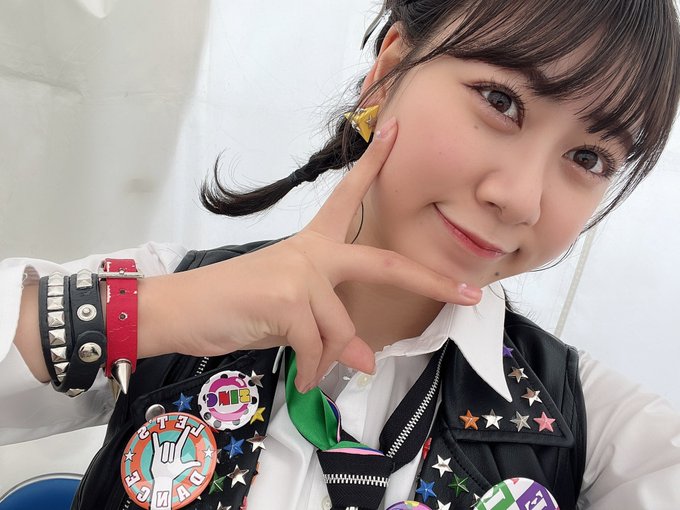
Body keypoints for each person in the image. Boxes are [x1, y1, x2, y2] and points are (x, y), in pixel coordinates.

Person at [2, 0, 680, 509]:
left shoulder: (593, 427)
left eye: (588, 158)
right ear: (387, 73)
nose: (521, 198)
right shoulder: (165, 289)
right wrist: (154, 315)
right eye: (501, 101)